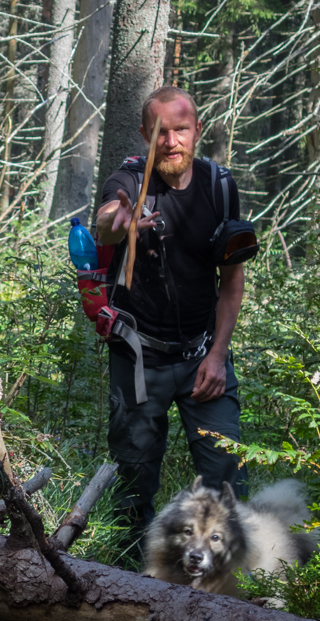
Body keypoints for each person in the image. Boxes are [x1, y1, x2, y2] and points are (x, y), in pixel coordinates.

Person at [95, 86, 247, 563]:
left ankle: (233, 591)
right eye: (161, 131)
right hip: (141, 359)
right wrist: (117, 222)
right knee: (134, 480)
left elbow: (232, 279)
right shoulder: (129, 181)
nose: (171, 141)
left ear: (197, 131)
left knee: (228, 477)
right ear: (145, 134)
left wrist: (218, 356)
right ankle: (124, 583)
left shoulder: (220, 187)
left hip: (204, 356)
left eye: (181, 129)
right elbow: (104, 222)